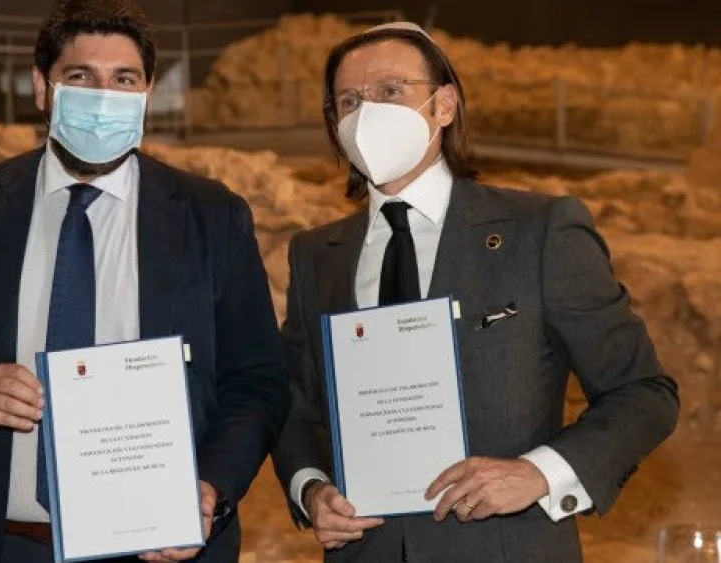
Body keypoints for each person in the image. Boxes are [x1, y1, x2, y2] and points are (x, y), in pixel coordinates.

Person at [0, 1, 288, 562]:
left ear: (147, 91)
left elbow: (256, 380)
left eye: (124, 79)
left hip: (158, 547)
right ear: (43, 87)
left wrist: (210, 487)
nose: (104, 96)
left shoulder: (212, 216)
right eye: (81, 76)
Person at [270, 21, 679, 562]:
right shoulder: (316, 254)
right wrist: (311, 487)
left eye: (391, 90)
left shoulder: (539, 232)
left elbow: (644, 392)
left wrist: (538, 473)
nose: (368, 113)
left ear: (444, 105)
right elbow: (294, 404)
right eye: (349, 101)